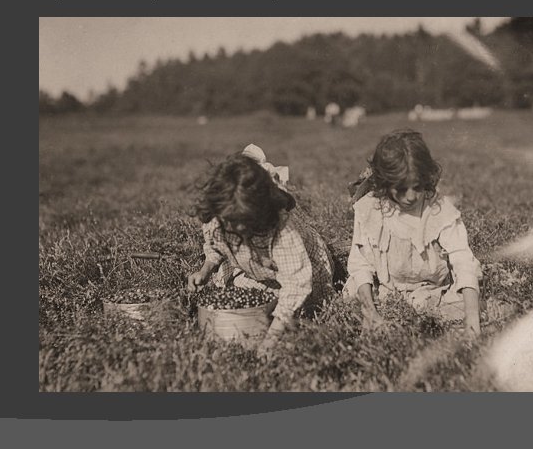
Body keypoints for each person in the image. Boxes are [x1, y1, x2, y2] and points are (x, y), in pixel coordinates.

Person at [188, 145, 334, 355]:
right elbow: (216, 245)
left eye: (242, 223)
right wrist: (205, 269)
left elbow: (296, 284)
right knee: (237, 295)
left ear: (261, 213)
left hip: (302, 270)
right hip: (255, 268)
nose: (234, 228)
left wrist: (272, 338)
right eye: (229, 222)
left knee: (297, 314)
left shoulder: (281, 230)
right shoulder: (219, 214)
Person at [344, 130, 483, 336]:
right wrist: (370, 312)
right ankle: (375, 315)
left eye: (417, 187)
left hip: (432, 290)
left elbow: (463, 259)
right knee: (352, 295)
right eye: (401, 189)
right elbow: (360, 264)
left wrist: (472, 321)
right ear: (385, 183)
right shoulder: (370, 209)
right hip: (386, 291)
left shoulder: (439, 210)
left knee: (467, 303)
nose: (410, 197)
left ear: (426, 179)